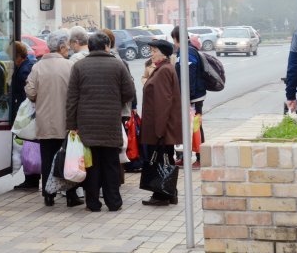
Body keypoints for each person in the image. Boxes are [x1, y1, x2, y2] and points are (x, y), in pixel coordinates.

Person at [66, 31, 135, 212]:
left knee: (91, 164)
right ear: (106, 46)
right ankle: (113, 202)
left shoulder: (79, 66)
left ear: (89, 47)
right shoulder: (118, 65)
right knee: (111, 163)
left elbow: (71, 98)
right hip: (110, 123)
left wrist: (72, 125)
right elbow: (130, 92)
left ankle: (93, 203)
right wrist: (115, 100)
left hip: (86, 125)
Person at [24, 30, 80, 207]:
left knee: (47, 158)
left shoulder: (37, 67)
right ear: (62, 47)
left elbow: (30, 91)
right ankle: (71, 195)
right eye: (67, 46)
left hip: (45, 122)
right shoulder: (70, 66)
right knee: (68, 157)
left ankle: (48, 195)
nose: (68, 49)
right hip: (66, 122)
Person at [140, 39, 182, 206]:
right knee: (165, 158)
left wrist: (159, 131)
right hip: (161, 126)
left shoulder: (164, 70)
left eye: (154, 51)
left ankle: (162, 195)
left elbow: (163, 102)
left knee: (161, 159)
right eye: (151, 50)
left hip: (160, 127)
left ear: (163, 53)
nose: (152, 54)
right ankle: (169, 192)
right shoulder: (162, 68)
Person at [170, 25, 206, 168]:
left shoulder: (187, 52)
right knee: (186, 127)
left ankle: (200, 157)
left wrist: (187, 98)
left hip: (193, 97)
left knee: (196, 127)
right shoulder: (184, 51)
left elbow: (189, 76)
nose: (174, 42)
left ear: (177, 38)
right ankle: (185, 157)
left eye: (174, 39)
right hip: (190, 96)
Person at [11, 40, 40, 190]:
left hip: (27, 114)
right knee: (30, 145)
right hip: (30, 113)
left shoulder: (23, 71)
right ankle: (31, 178)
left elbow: (27, 93)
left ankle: (31, 179)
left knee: (28, 145)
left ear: (18, 56)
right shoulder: (27, 65)